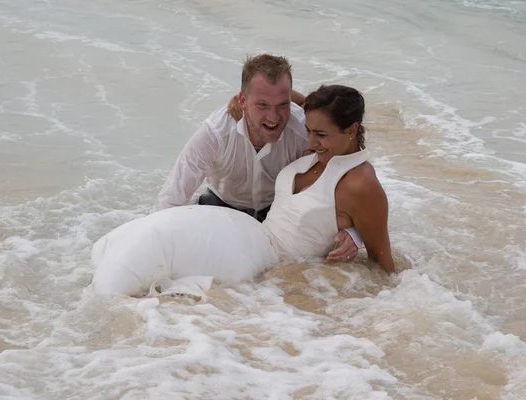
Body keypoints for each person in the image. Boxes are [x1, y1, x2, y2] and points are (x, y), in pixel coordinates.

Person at [91, 84, 394, 297]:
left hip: (272, 266)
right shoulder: (325, 151)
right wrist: (249, 99)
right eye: (308, 132)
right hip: (247, 231)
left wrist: (356, 241)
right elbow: (289, 95)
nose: (311, 144)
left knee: (151, 265)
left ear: (352, 130)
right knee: (156, 235)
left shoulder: (360, 183)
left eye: (321, 135)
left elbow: (383, 264)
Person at [153, 54, 359, 262]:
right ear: (242, 100)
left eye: (282, 105)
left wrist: (354, 232)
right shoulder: (216, 133)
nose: (273, 117)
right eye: (262, 105)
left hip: (279, 214)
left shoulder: (303, 130)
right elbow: (170, 200)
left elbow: (348, 169)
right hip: (222, 206)